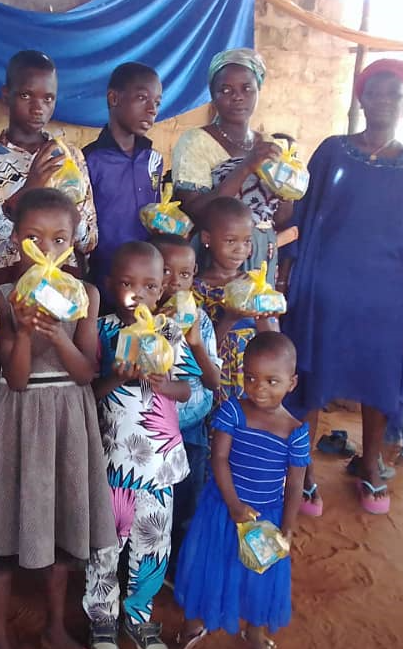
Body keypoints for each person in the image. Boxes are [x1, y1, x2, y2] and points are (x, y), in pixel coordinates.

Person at [279, 58, 403, 516]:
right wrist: (287, 267)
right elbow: (303, 210)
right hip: (325, 285)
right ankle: (305, 471)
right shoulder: (332, 151)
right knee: (311, 375)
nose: (384, 100)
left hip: (387, 292)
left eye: (394, 94)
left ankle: (369, 464)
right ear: (361, 99)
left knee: (378, 378)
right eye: (375, 92)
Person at [0, 188, 115, 649]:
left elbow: (84, 373)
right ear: (14, 240)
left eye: (59, 240)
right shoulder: (3, 297)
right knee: (3, 531)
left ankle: (54, 628)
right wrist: (24, 331)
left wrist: (59, 336)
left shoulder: (86, 295)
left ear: (73, 242)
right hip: (17, 420)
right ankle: (2, 634)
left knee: (63, 530)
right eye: (34, 239)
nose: (47, 250)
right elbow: (17, 378)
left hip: (68, 419)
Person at [82, 241, 191, 649]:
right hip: (111, 463)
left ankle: (139, 615)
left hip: (158, 465)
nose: (137, 295)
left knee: (153, 547)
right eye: (127, 284)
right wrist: (117, 376)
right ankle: (101, 618)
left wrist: (165, 384)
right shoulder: (102, 330)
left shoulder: (170, 331)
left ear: (161, 289)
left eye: (148, 286)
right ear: (110, 284)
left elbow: (187, 389)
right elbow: (88, 392)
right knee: (104, 546)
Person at [174, 333, 310, 649]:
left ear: (291, 383)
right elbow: (219, 458)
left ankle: (254, 633)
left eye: (272, 381)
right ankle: (193, 625)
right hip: (223, 509)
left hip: (266, 518)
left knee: (261, 575)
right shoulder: (233, 412)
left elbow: (295, 485)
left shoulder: (296, 432)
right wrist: (234, 505)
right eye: (250, 378)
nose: (259, 387)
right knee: (211, 566)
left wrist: (288, 525)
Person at [0, 50, 97, 290]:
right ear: (6, 95)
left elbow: (89, 240)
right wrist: (28, 190)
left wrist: (65, 207)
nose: (38, 108)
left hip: (62, 283)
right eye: (26, 95)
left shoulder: (69, 157)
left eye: (48, 98)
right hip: (3, 281)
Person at [171, 49, 290, 280]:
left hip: (262, 253)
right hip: (217, 257)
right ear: (213, 95)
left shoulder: (270, 144)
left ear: (258, 90)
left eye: (247, 88)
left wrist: (288, 189)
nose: (237, 97)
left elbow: (281, 217)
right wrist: (246, 166)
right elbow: (194, 209)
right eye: (226, 90)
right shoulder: (195, 141)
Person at [150, 234, 220, 580]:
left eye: (185, 274)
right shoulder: (139, 319)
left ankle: (178, 566)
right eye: (166, 271)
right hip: (147, 435)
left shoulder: (200, 321)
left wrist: (194, 342)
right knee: (150, 503)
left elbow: (213, 381)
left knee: (186, 501)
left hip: (190, 429)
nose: (175, 282)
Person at [83, 62, 164, 292]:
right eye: (142, 98)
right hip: (103, 276)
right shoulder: (89, 160)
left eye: (157, 102)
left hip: (147, 279)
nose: (152, 109)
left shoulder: (153, 160)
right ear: (114, 98)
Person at [193, 197, 277, 402]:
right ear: (207, 238)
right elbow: (199, 349)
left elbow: (273, 342)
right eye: (231, 241)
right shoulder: (198, 289)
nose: (240, 249)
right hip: (215, 379)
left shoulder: (255, 284)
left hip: (251, 377)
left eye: (246, 241)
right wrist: (229, 318)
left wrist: (262, 316)